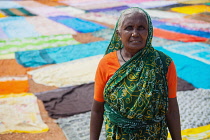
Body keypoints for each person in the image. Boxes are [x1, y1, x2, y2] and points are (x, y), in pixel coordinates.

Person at [90, 7, 181, 140]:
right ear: (118, 34)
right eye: (129, 27)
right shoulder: (106, 63)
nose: (135, 33)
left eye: (141, 27)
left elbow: (171, 110)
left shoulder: (163, 63)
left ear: (149, 32)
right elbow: (97, 110)